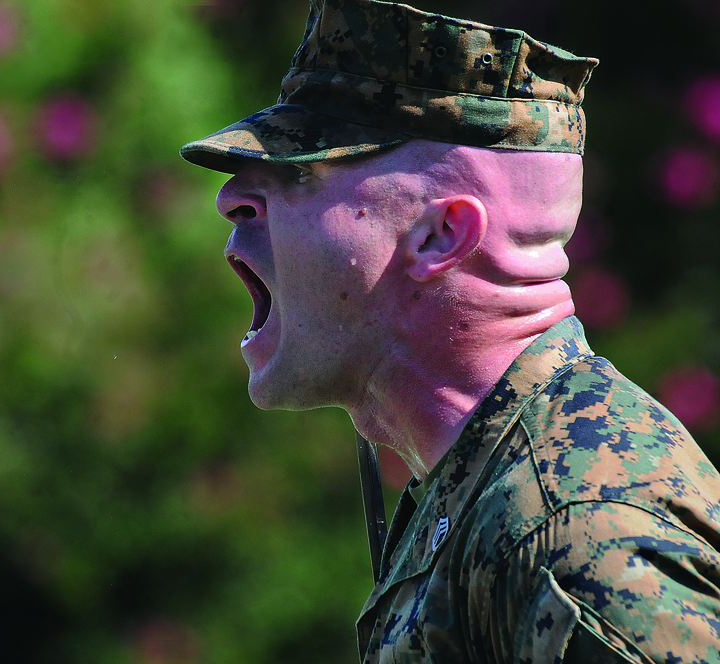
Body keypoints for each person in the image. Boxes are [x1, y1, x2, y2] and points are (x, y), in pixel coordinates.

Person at [179, 1, 720, 663]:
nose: (230, 198)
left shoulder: (576, 538)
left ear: (441, 235)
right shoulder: (490, 489)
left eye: (299, 170)